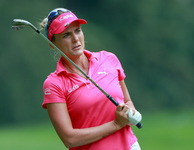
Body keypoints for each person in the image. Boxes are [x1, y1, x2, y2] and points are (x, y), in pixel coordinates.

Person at [41, 8, 142, 150]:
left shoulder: (108, 59)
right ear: (53, 44)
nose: (76, 38)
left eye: (77, 30)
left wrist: (130, 112)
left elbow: (127, 101)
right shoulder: (54, 84)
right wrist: (115, 124)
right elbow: (69, 139)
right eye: (66, 35)